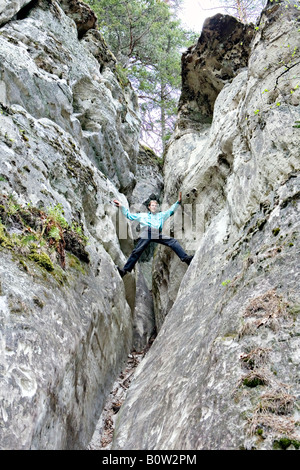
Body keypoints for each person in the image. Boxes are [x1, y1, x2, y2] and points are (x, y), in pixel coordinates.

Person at [113, 192, 194, 277]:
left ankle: (186, 259)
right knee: (137, 251)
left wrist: (178, 202)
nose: (154, 207)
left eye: (156, 205)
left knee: (172, 241)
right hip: (147, 231)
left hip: (155, 233)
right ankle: (124, 271)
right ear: (149, 207)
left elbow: (171, 211)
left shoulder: (161, 215)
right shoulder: (142, 216)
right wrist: (121, 206)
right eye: (152, 205)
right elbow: (129, 216)